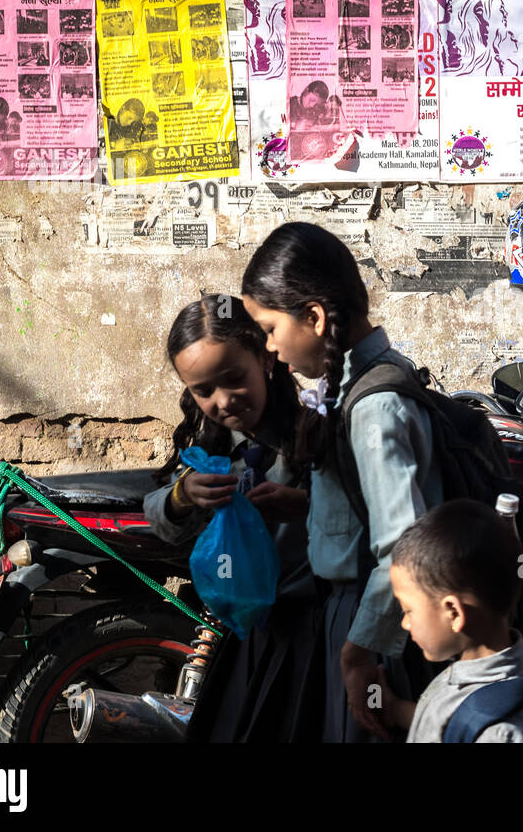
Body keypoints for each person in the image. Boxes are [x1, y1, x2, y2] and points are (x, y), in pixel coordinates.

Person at [241, 222, 442, 742]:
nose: (269, 348)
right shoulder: (353, 387)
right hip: (357, 620)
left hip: (375, 628)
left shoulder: (374, 406)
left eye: (269, 328)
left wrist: (358, 653)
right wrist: (308, 506)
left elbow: (402, 544)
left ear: (313, 317)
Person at [144, 294, 322, 742]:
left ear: (266, 359)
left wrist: (307, 505)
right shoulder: (215, 452)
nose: (223, 401)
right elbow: (158, 515)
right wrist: (183, 496)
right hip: (242, 640)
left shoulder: (316, 435)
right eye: (204, 391)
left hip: (311, 631)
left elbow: (364, 518)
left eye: (234, 379)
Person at [378, 499, 523, 743]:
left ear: (453, 613)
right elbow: (454, 723)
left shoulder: (501, 731)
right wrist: (395, 710)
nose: (405, 624)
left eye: (408, 611)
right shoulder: (474, 675)